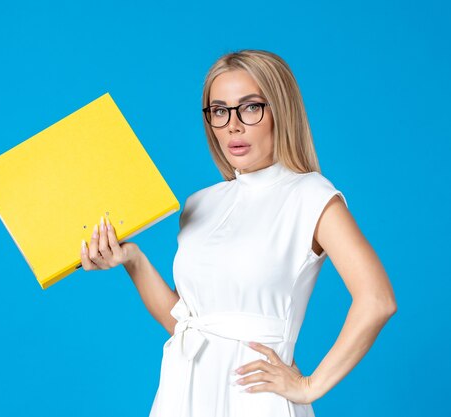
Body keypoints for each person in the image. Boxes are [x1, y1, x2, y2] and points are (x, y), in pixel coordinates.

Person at [79, 49, 397, 417]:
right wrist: (132, 260)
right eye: (219, 111)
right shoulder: (200, 204)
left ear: (281, 110)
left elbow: (377, 300)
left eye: (250, 107)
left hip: (255, 400)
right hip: (182, 393)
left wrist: (311, 385)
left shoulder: (311, 195)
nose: (233, 125)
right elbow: (187, 324)